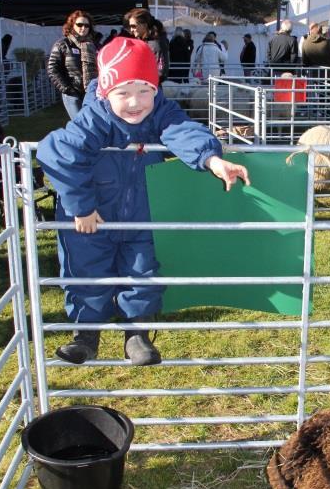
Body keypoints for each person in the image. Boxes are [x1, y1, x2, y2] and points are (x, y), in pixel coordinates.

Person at [36, 37, 250, 365]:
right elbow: (59, 151)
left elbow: (182, 130)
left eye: (144, 90)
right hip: (93, 215)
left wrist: (212, 160)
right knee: (86, 270)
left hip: (141, 212)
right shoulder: (95, 117)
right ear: (107, 92)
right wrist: (82, 205)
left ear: (155, 88)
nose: (135, 102)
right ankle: (85, 333)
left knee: (142, 270)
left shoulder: (160, 111)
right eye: (123, 93)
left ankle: (137, 332)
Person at [47, 10, 98, 120]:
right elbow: (52, 69)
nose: (83, 28)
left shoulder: (93, 46)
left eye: (86, 25)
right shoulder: (63, 44)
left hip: (91, 93)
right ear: (71, 25)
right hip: (72, 93)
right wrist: (67, 89)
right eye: (79, 24)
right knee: (80, 124)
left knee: (91, 124)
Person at [125, 8, 167, 84]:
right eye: (130, 26)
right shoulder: (141, 42)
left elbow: (161, 72)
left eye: (134, 26)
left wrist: (143, 84)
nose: (131, 30)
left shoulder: (155, 44)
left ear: (144, 25)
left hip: (150, 90)